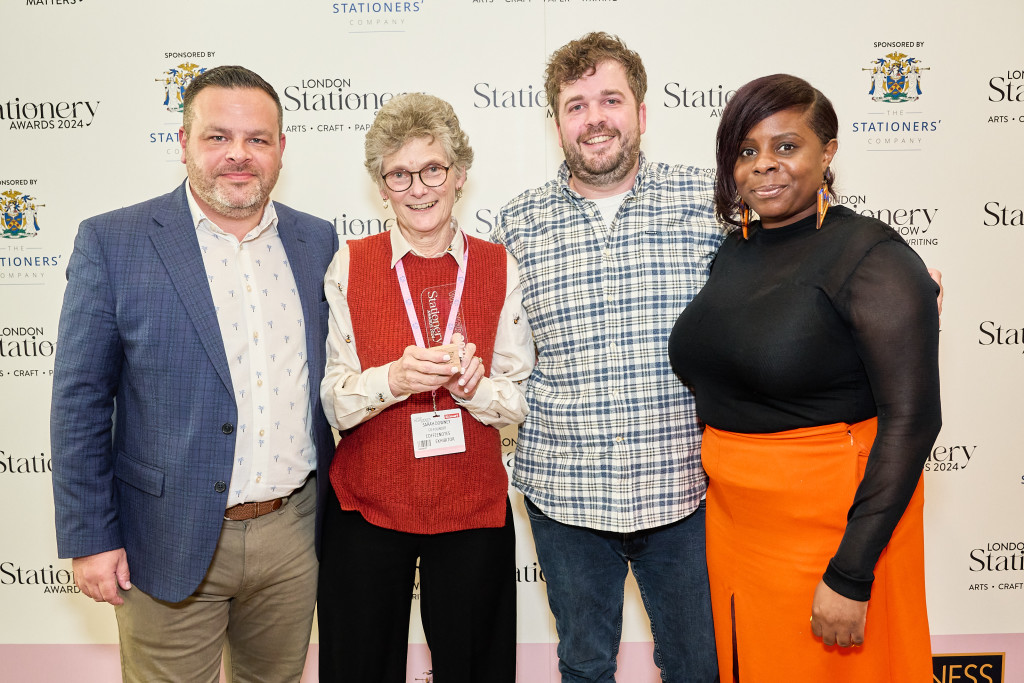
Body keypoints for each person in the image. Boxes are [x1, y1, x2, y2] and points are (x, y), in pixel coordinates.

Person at [50, 65, 338, 682]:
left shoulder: (318, 243)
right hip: (164, 536)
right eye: (217, 137)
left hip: (293, 535)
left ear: (282, 149)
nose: (238, 154)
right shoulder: (113, 241)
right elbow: (79, 401)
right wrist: (91, 537)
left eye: (257, 139)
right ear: (182, 143)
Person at [668, 74, 941, 681]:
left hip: (831, 528)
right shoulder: (735, 249)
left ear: (829, 152)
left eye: (786, 147)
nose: (764, 166)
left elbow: (914, 420)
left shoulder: (873, 258)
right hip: (737, 527)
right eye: (746, 151)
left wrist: (850, 572)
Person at [493, 32, 722, 681]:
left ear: (642, 113)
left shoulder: (708, 203)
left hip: (684, 490)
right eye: (575, 104)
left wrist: (888, 274)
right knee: (585, 666)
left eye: (610, 100)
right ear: (557, 122)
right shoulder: (514, 226)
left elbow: (801, 241)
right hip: (566, 497)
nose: (594, 118)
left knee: (696, 666)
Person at [318, 92, 533, 683]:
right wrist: (393, 379)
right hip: (367, 505)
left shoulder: (499, 265)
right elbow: (334, 396)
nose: (418, 187)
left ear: (459, 175)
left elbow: (517, 399)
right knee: (357, 668)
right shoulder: (350, 264)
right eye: (399, 174)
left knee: (475, 669)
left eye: (432, 168)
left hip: (471, 508)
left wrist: (475, 388)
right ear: (381, 186)